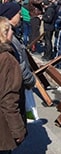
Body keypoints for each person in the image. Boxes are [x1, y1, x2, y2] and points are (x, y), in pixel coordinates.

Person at [0, 16, 27, 154]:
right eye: (10, 30)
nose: (13, 33)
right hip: (3, 126)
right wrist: (18, 130)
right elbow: (9, 98)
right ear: (4, 34)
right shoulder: (7, 59)